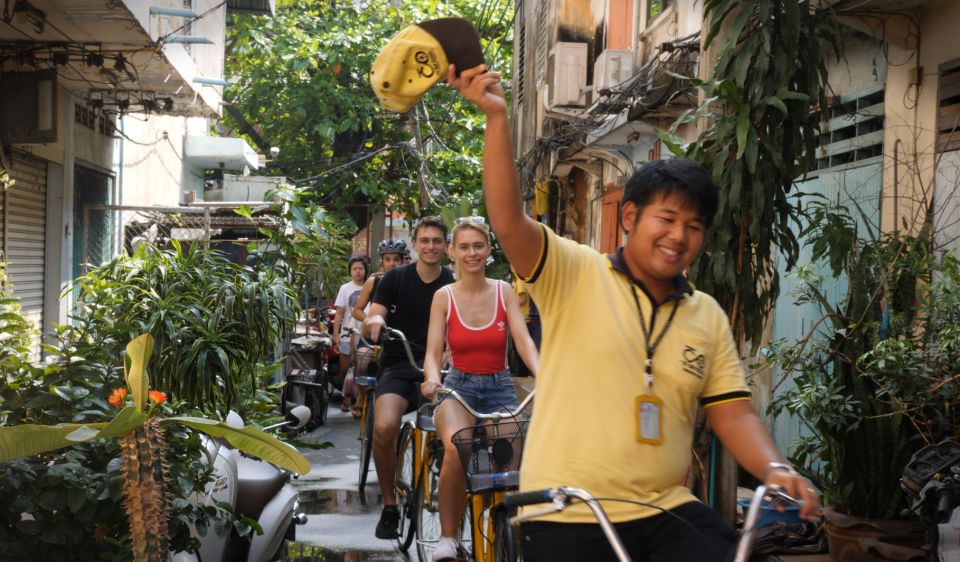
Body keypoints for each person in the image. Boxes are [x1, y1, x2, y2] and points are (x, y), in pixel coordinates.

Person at [449, 63, 821, 562]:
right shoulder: (574, 272)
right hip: (567, 510)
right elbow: (509, 221)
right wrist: (497, 119)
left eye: (694, 225)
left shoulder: (705, 313)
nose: (678, 236)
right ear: (630, 216)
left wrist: (778, 469)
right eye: (666, 219)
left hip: (665, 511)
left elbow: (732, 413)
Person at [419, 217, 540, 561]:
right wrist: (432, 377)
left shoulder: (503, 291)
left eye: (478, 246)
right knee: (459, 448)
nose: (471, 253)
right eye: (464, 247)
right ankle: (447, 538)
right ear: (451, 251)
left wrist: (545, 374)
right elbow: (432, 351)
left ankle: (513, 544)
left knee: (510, 468)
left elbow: (523, 341)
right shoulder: (444, 297)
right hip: (458, 388)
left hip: (500, 387)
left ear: (488, 250)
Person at [362, 216, 455, 539]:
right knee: (384, 426)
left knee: (459, 437)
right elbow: (375, 311)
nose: (431, 246)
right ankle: (389, 506)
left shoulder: (454, 281)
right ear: (414, 245)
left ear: (446, 246)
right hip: (400, 364)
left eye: (437, 241)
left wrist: (449, 352)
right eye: (425, 240)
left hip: (441, 371)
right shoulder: (395, 279)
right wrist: (373, 322)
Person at [349, 238, 409, 418]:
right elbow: (356, 310)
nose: (392, 263)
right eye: (388, 259)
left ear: (403, 260)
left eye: (396, 259)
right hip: (374, 336)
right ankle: (360, 397)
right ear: (381, 261)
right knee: (362, 358)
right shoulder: (373, 281)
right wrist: (372, 320)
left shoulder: (409, 280)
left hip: (400, 337)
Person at [332, 256, 368, 412]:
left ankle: (361, 399)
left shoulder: (371, 286)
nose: (358, 271)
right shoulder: (345, 288)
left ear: (365, 270)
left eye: (360, 268)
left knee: (363, 368)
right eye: (355, 269)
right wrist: (336, 335)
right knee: (346, 367)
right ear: (350, 271)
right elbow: (339, 313)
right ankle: (346, 396)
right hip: (347, 333)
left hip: (365, 333)